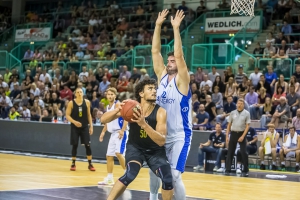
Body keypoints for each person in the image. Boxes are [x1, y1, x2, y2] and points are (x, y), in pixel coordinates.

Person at [100, 79, 173, 200]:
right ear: (141, 93)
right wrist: (118, 110)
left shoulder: (160, 112)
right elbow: (103, 120)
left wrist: (144, 124)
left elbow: (161, 141)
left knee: (168, 179)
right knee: (129, 174)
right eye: (150, 88)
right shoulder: (131, 107)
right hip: (135, 148)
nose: (154, 91)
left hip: (155, 151)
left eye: (155, 88)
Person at [150, 9, 192, 200]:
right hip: (161, 134)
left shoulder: (183, 80)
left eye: (173, 60)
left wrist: (176, 29)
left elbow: (180, 55)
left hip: (180, 136)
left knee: (174, 176)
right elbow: (155, 51)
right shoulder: (162, 76)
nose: (170, 61)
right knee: (154, 172)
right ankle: (152, 197)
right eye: (169, 60)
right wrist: (158, 25)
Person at [98, 88, 128, 185]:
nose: (110, 96)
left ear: (115, 95)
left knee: (119, 153)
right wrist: (103, 132)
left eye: (112, 94)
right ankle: (110, 178)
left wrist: (123, 130)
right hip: (113, 133)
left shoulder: (118, 104)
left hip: (120, 132)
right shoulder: (108, 107)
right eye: (108, 94)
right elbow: (107, 121)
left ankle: (127, 174)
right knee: (109, 156)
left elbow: (126, 117)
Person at [65, 87, 95, 171]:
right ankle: (73, 163)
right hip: (75, 127)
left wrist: (91, 126)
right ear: (75, 94)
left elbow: (89, 115)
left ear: (83, 93)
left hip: (84, 127)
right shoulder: (71, 103)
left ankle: (90, 164)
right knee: (75, 145)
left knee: (87, 145)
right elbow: (67, 115)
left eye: (81, 92)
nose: (79, 93)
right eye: (77, 92)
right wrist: (74, 122)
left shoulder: (87, 102)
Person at [225, 98, 251, 177]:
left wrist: (243, 136)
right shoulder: (232, 113)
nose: (239, 105)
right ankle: (228, 169)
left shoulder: (246, 113)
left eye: (241, 104)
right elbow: (229, 125)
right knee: (230, 152)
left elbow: (247, 126)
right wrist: (227, 136)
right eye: (238, 104)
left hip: (241, 133)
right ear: (236, 104)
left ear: (243, 105)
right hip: (233, 133)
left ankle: (245, 170)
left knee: (243, 152)